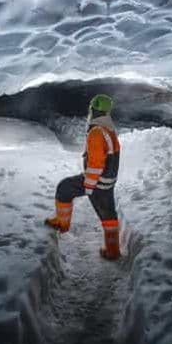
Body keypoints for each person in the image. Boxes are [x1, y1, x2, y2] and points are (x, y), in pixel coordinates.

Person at [45, 94, 121, 260]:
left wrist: (89, 186)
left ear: (93, 110)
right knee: (108, 215)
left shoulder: (96, 132)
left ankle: (61, 223)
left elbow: (95, 164)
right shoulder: (109, 130)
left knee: (64, 188)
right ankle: (113, 250)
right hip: (108, 182)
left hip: (97, 182)